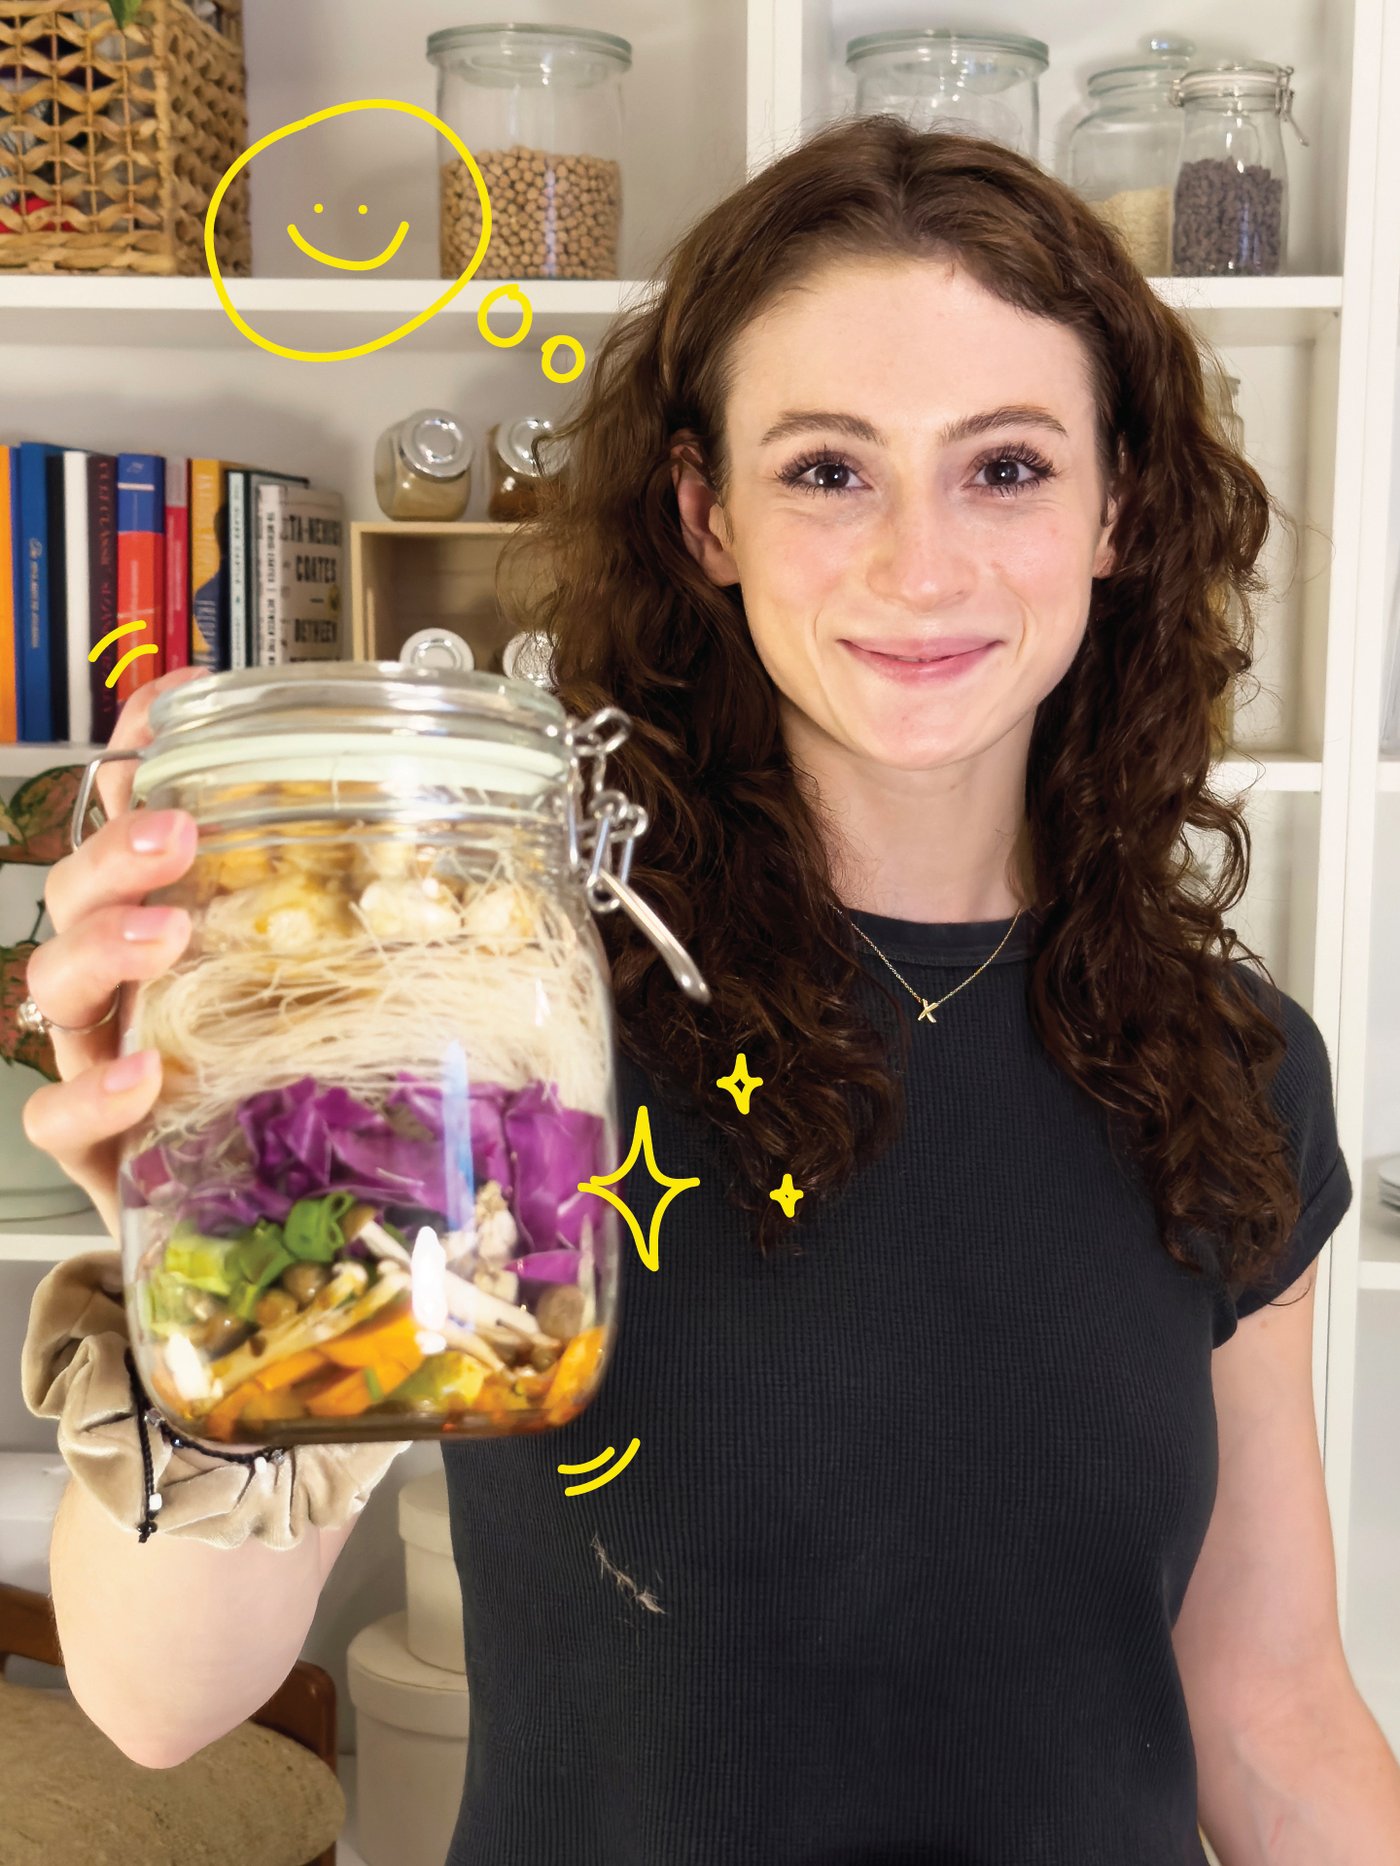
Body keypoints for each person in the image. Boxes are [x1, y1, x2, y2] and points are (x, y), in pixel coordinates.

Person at [21, 115, 1399, 1865]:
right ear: (706, 512)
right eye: (828, 468)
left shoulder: (1233, 1062)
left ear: (1119, 510)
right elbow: (162, 1696)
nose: (920, 562)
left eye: (1008, 466)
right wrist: (185, 1231)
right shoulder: (498, 1012)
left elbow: (1269, 1711)